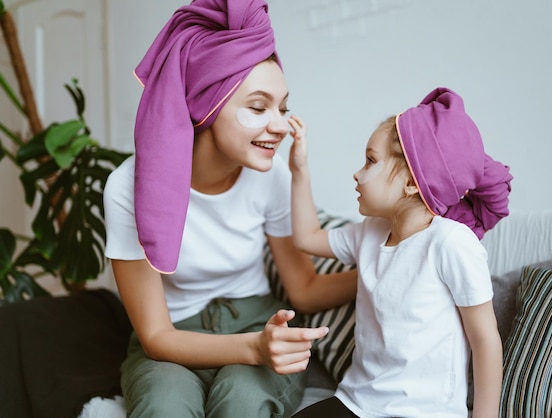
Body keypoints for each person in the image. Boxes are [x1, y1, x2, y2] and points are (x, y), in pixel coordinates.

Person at [103, 1, 356, 417]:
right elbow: (155, 335)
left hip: (259, 320)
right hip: (174, 337)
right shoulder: (127, 188)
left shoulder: (272, 176)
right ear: (207, 104)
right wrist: (250, 349)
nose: (279, 126)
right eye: (258, 108)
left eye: (283, 108)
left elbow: (304, 288)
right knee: (163, 406)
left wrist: (383, 263)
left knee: (243, 401)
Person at [288, 87, 513, 418]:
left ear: (411, 182)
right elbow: (307, 237)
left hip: (423, 412)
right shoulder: (369, 232)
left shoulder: (452, 243)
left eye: (370, 160)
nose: (357, 172)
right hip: (357, 403)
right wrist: (299, 169)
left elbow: (485, 341)